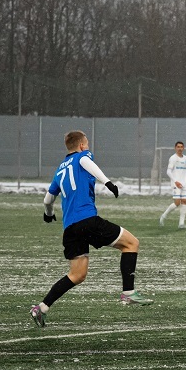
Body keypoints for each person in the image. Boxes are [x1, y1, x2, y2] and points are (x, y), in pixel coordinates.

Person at [31, 130, 153, 326]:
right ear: (81, 146)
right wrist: (108, 182)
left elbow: (47, 199)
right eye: (86, 145)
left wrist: (48, 213)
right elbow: (87, 163)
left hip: (70, 228)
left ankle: (41, 308)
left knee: (77, 275)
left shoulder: (59, 170)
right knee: (131, 243)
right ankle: (128, 293)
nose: (88, 148)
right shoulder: (82, 157)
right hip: (87, 220)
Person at [159, 141, 186, 228]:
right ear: (175, 148)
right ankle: (163, 216)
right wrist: (175, 181)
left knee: (184, 201)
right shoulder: (173, 158)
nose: (180, 148)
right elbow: (168, 171)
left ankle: (181, 224)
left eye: (181, 147)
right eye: (178, 147)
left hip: (184, 183)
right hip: (176, 184)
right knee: (177, 203)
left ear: (183, 148)